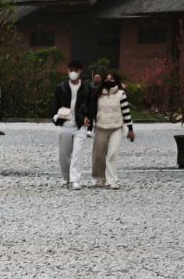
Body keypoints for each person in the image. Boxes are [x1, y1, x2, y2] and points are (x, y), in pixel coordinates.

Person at [53, 59, 94, 189]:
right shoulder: (61, 87)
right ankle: (66, 178)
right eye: (71, 70)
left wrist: (89, 121)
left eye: (76, 70)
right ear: (68, 70)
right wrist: (56, 118)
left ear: (80, 71)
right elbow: (55, 104)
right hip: (64, 124)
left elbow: (91, 106)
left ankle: (75, 179)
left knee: (77, 153)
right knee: (64, 154)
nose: (73, 72)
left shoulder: (87, 87)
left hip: (80, 124)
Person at [91, 71, 134, 189]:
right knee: (98, 155)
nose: (108, 82)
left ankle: (111, 180)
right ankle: (99, 178)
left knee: (113, 153)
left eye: (111, 79)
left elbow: (126, 112)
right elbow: (92, 110)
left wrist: (130, 129)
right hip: (100, 127)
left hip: (116, 127)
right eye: (107, 79)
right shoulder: (98, 94)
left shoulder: (121, 94)